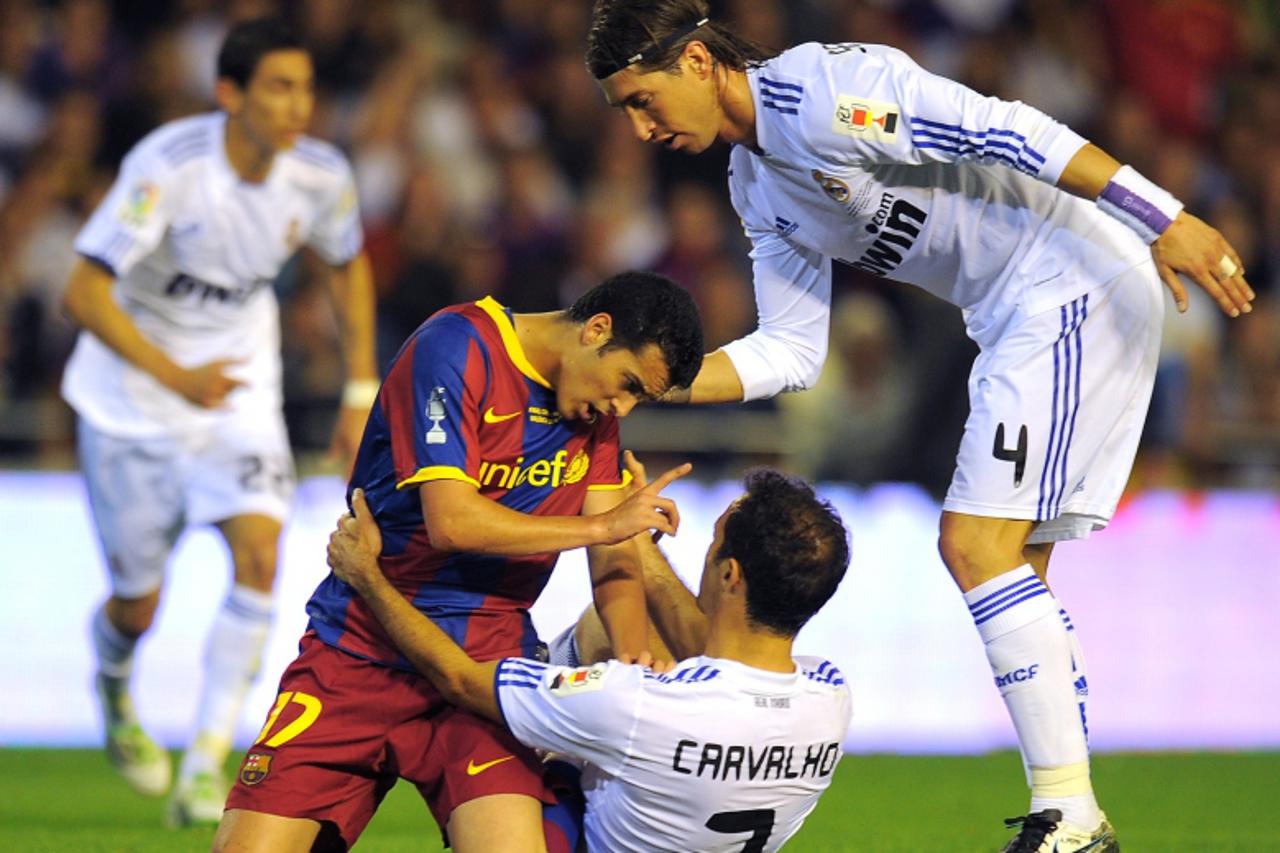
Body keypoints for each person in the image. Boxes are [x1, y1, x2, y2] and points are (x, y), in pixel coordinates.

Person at [584, 2, 1257, 850]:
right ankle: (1070, 812)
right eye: (624, 114)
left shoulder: (824, 93)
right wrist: (648, 383)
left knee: (975, 545)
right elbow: (791, 351)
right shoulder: (757, 183)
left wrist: (1162, 214)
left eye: (641, 100)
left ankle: (1072, 820)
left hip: (1070, 279)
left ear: (694, 61)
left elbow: (1003, 130)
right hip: (1020, 310)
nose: (641, 129)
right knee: (1013, 575)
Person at [213, 272, 705, 853]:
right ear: (597, 330)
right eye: (625, 384)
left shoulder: (593, 411)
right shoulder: (458, 345)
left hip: (486, 668)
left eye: (636, 399)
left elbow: (614, 557)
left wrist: (628, 653)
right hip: (363, 646)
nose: (620, 406)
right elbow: (451, 521)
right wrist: (603, 524)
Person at [59, 17, 377, 826]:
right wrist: (172, 373)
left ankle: (206, 761)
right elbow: (84, 292)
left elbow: (347, 266)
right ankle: (116, 687)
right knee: (138, 604)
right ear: (229, 93)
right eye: (277, 86)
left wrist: (357, 389)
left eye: (305, 86)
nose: (297, 105)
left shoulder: (320, 174)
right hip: (130, 402)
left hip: (236, 390)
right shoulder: (167, 168)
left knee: (261, 552)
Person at [325, 458, 853, 853]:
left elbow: (460, 679)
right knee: (616, 631)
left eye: (715, 546)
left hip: (581, 814)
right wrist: (635, 539)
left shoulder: (639, 705)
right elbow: (711, 647)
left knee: (477, 720)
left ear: (730, 575)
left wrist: (369, 579)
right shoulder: (830, 697)